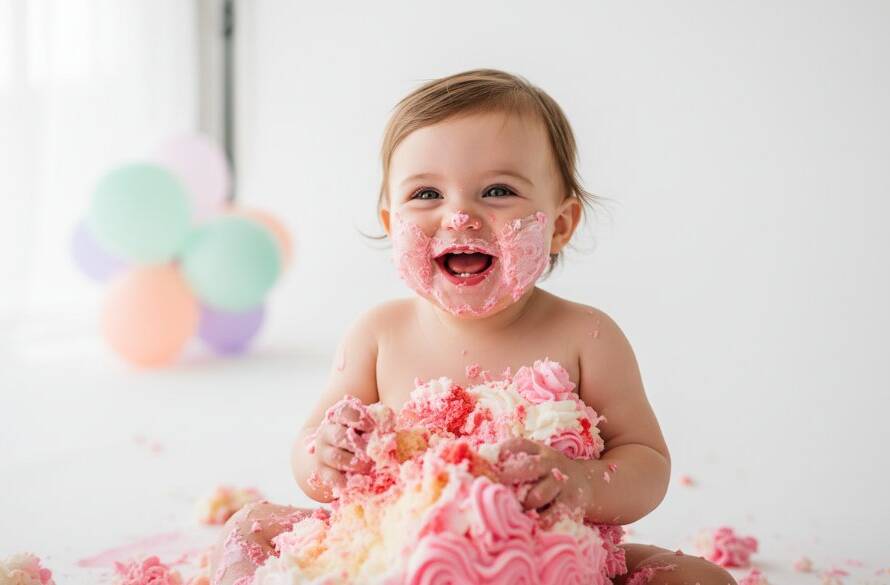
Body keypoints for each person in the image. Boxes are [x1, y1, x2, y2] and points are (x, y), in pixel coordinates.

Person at [210, 68, 737, 585]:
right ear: (392, 224)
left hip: (547, 557)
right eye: (426, 194)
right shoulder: (378, 334)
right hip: (392, 550)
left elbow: (646, 464)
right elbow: (311, 463)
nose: (459, 216)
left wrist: (577, 482)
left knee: (701, 579)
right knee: (250, 526)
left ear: (559, 225)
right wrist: (329, 453)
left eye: (498, 191)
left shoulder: (587, 337)